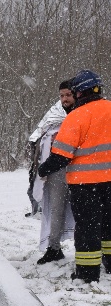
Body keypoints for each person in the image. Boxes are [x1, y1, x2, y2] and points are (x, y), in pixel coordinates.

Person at [38, 69, 111, 283]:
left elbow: (61, 157)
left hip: (86, 185)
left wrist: (43, 169)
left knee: (88, 229)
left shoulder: (76, 117)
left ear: (79, 93)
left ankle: (87, 275)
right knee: (109, 226)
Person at [35, 80, 76, 264]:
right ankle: (54, 248)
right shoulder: (55, 114)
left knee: (83, 211)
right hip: (57, 169)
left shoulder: (83, 113)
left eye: (68, 95)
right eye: (62, 96)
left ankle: (91, 249)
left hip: (79, 169)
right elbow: (39, 135)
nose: (65, 99)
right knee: (55, 209)